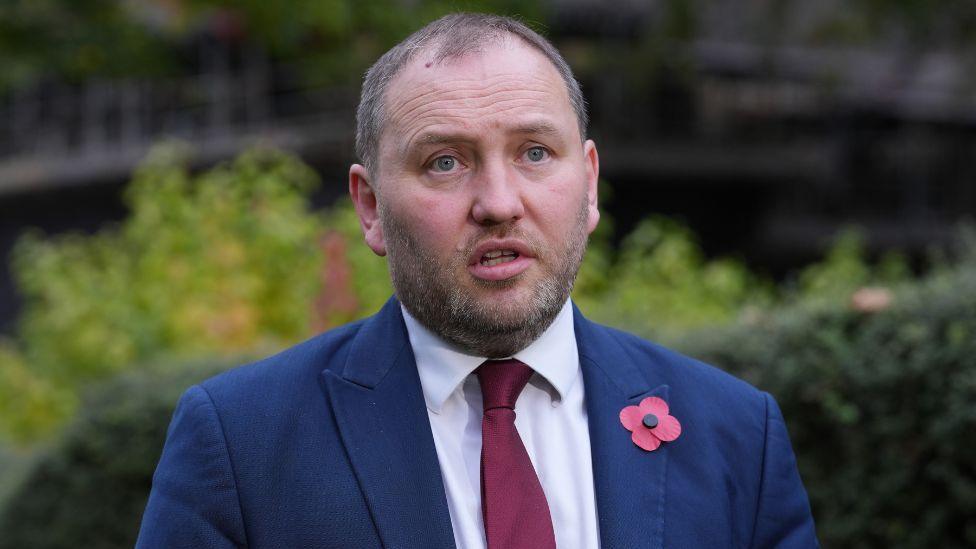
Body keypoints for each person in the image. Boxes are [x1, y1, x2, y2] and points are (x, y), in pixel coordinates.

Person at [136, 13, 818, 549]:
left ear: (588, 182)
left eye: (534, 153)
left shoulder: (733, 433)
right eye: (444, 163)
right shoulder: (241, 441)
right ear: (370, 207)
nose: (498, 201)